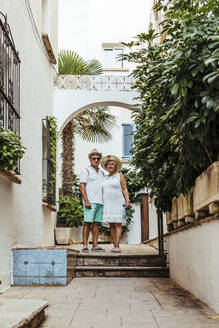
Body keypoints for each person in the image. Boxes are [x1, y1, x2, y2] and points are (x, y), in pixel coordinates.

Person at [101, 155, 131, 253]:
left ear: (115, 166)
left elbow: (124, 188)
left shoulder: (120, 176)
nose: (110, 166)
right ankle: (114, 245)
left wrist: (128, 200)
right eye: (108, 164)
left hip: (118, 202)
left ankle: (117, 246)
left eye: (112, 164)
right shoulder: (104, 177)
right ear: (106, 166)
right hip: (107, 204)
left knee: (118, 224)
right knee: (111, 225)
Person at [80, 149, 105, 253]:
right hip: (90, 201)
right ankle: (85, 245)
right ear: (90, 159)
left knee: (96, 224)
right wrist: (86, 201)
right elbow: (82, 186)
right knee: (87, 223)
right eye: (94, 158)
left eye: (98, 158)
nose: (96, 160)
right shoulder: (86, 170)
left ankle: (95, 245)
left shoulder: (102, 173)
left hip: (100, 202)